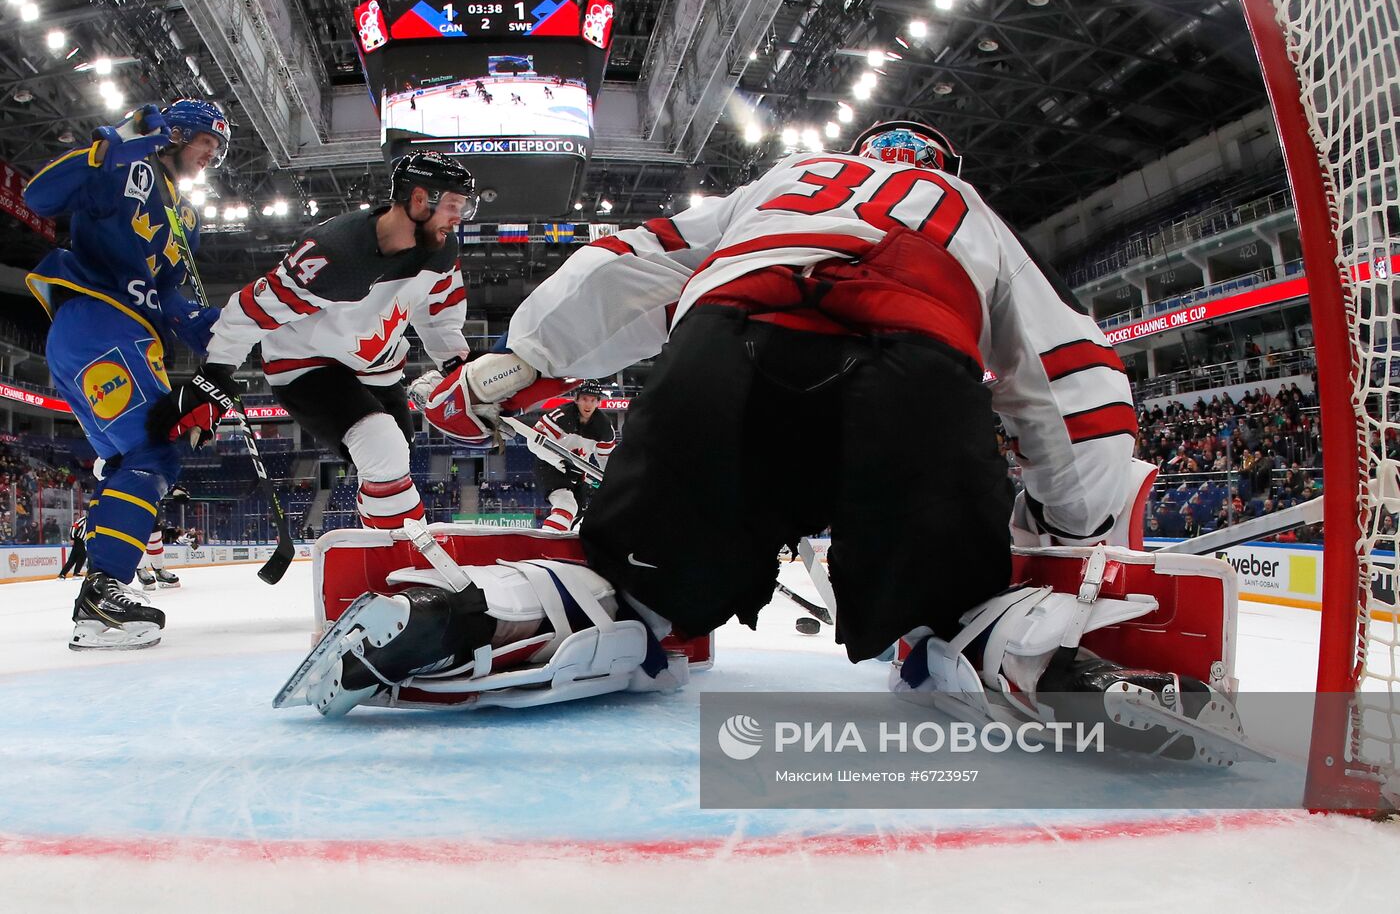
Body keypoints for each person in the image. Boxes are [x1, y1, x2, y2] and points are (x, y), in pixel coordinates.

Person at [280, 121, 1238, 756]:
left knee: (640, 592)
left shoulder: (785, 181)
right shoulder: (967, 214)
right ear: (940, 172)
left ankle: (486, 615)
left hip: (721, 360)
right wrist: (1071, 523)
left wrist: (523, 361)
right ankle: (1038, 663)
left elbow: (627, 262)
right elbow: (1071, 378)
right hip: (910, 375)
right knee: (948, 604)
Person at [149, 152, 479, 532]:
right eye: (455, 206)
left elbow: (438, 309)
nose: (459, 217)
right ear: (420, 200)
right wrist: (215, 373)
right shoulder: (333, 252)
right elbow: (252, 307)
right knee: (383, 446)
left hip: (377, 366)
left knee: (395, 459)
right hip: (306, 364)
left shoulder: (442, 248)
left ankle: (379, 551)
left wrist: (455, 366)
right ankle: (401, 560)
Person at [23, 100, 229, 650]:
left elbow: (167, 296)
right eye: (207, 140)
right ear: (178, 134)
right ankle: (102, 595)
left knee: (126, 461)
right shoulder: (131, 167)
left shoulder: (186, 218)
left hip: (112, 335)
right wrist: (111, 146)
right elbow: (37, 198)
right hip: (101, 322)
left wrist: (217, 336)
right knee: (156, 449)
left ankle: (104, 593)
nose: (213, 154)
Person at [530, 380, 616, 532]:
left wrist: (610, 482)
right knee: (566, 504)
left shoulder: (604, 427)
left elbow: (606, 459)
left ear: (598, 402)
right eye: (584, 399)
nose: (588, 405)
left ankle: (563, 549)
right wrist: (560, 462)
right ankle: (547, 547)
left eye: (593, 400)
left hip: (578, 473)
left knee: (579, 515)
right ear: (576, 399)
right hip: (551, 467)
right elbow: (533, 442)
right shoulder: (561, 416)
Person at [58, 509, 90, 580]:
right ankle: (75, 573)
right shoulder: (83, 520)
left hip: (81, 541)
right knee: (82, 555)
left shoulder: (90, 521)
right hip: (78, 539)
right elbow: (73, 527)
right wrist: (72, 538)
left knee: (73, 558)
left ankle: (62, 574)